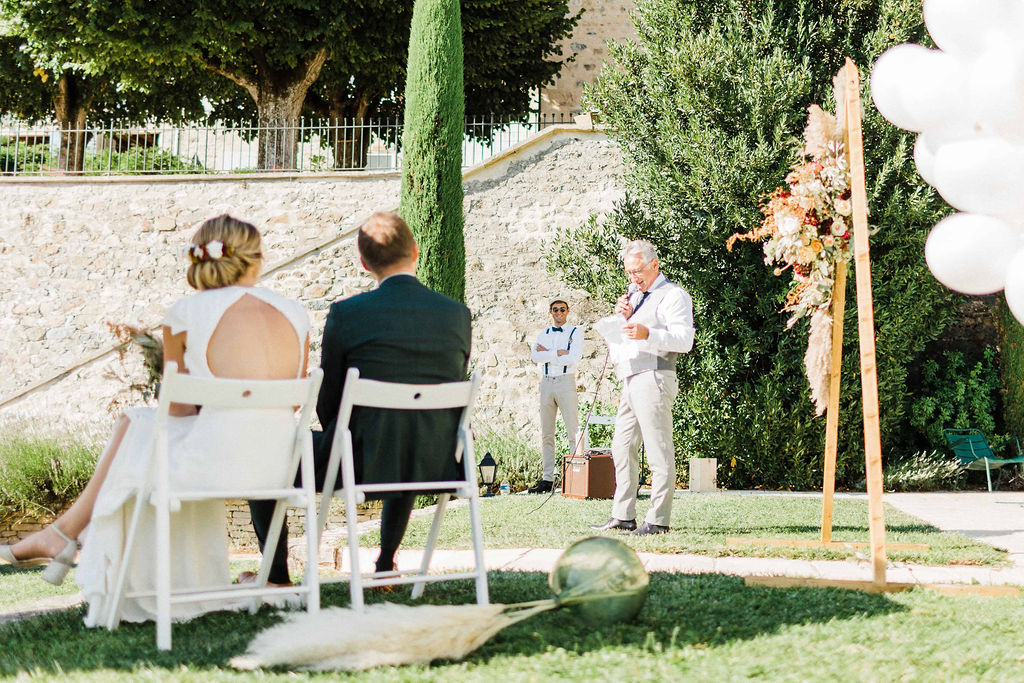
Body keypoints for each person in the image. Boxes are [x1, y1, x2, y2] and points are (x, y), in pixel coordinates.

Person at [0, 215, 310, 625]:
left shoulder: (186, 311)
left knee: (134, 423)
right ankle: (62, 534)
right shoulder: (294, 312)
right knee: (137, 426)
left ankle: (64, 533)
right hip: (279, 466)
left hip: (211, 468)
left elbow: (176, 409)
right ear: (256, 258)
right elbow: (292, 401)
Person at [250, 211, 472, 584]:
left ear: (364, 263)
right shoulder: (456, 314)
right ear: (415, 251)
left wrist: (338, 437)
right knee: (403, 431)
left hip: (361, 460)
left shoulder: (348, 314)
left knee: (264, 453)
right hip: (437, 460)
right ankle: (385, 563)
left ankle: (276, 577)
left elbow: (329, 399)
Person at [590, 239, 694, 536]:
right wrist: (621, 317)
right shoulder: (635, 296)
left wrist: (648, 333)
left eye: (637, 271)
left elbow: (684, 340)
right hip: (631, 377)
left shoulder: (674, 295)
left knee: (658, 450)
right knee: (622, 446)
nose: (633, 278)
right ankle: (623, 515)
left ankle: (658, 519)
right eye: (628, 272)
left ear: (654, 265)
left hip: (655, 375)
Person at [528, 298, 583, 493]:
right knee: (547, 433)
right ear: (550, 312)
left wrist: (548, 354)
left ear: (567, 311)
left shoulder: (575, 332)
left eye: (562, 309)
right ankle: (547, 479)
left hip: (565, 381)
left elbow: (573, 358)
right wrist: (558, 353)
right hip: (546, 382)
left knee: (573, 430)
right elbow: (535, 357)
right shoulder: (544, 333)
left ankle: (576, 476)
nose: (559, 313)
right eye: (555, 310)